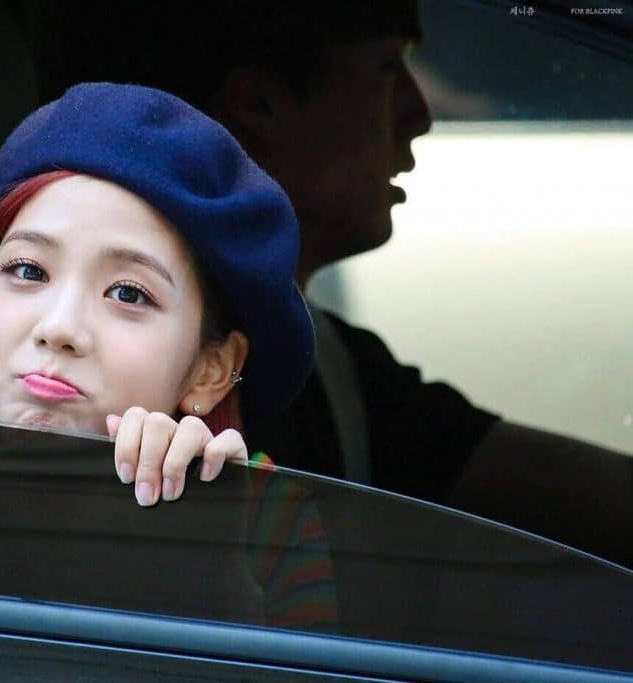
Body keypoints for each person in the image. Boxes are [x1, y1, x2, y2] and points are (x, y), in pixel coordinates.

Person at [49, 1, 632, 565]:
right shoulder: (122, 400)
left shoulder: (331, 367)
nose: (418, 115)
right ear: (260, 103)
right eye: (387, 70)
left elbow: (520, 474)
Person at [0, 82, 316, 510]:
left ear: (213, 369)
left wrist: (210, 531)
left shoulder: (258, 517)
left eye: (128, 294)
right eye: (28, 271)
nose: (59, 328)